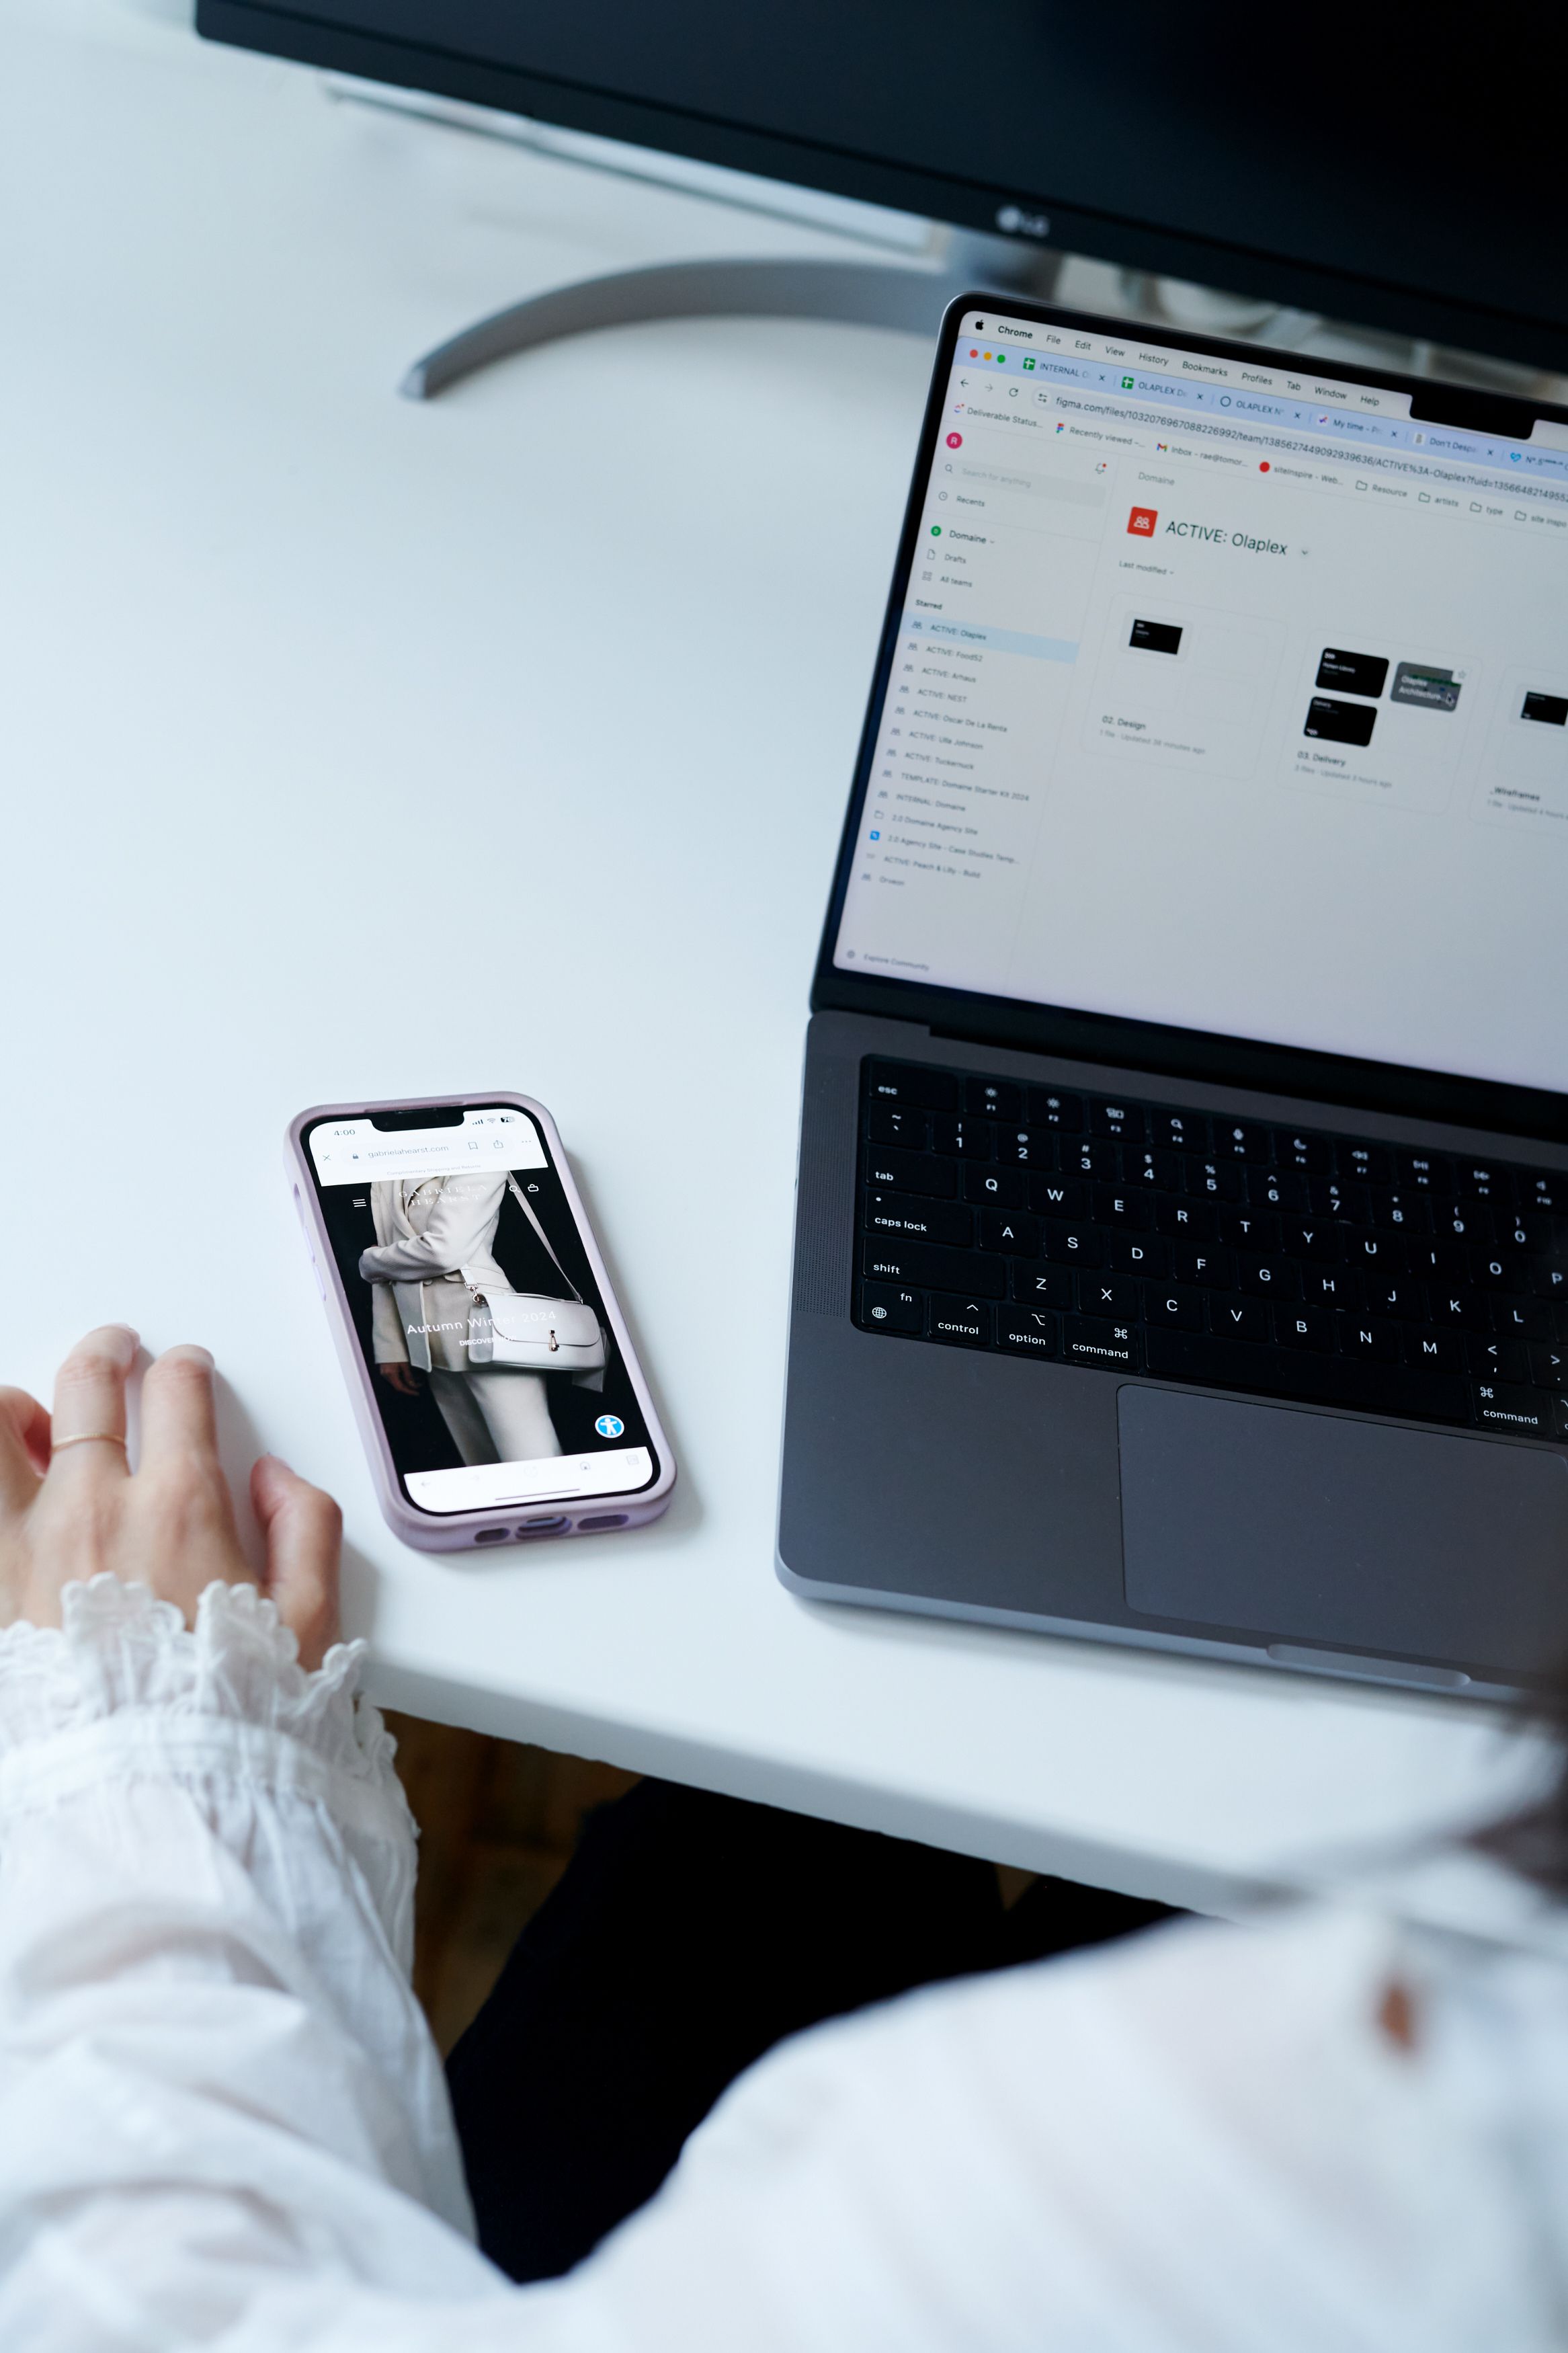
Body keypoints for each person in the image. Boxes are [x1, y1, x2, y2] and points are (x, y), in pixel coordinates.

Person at [1, 1325, 1565, 2351]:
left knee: (750, 1871)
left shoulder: (1306, 2165)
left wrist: (149, 1733)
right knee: (798, 1843)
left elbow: (146, 2309)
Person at [362, 1170, 562, 1468]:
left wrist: (368, 1262)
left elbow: (444, 1251)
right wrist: (391, 1346)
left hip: (490, 1328)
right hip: (428, 1339)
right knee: (481, 1465)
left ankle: (558, 1512)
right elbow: (391, 1269)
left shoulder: (478, 1155)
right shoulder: (384, 1173)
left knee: (533, 1459)